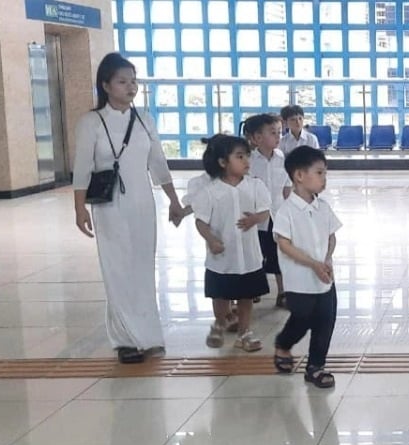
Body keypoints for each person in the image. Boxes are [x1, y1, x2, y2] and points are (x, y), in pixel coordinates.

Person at [72, 53, 184, 364]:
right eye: (122, 81)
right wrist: (79, 208)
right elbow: (82, 168)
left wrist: (174, 200)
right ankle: (125, 340)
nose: (130, 87)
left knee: (141, 267)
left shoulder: (144, 120)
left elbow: (158, 164)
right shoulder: (91, 122)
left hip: (142, 203)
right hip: (110, 206)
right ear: (106, 85)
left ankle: (147, 334)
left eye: (133, 81)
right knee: (117, 269)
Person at [189, 135, 271, 352]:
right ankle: (220, 321)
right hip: (222, 257)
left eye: (247, 156)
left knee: (246, 296)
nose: (246, 161)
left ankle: (244, 332)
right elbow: (200, 221)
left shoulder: (255, 186)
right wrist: (211, 240)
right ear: (223, 162)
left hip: (249, 256)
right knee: (220, 295)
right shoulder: (210, 192)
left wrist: (255, 219)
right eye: (239, 156)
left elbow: (265, 210)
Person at [271, 146, 341, 387]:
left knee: (325, 321)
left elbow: (332, 236)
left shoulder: (323, 207)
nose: (324, 179)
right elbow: (284, 244)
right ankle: (284, 343)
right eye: (319, 173)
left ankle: (316, 366)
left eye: (325, 173)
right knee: (302, 318)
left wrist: (327, 258)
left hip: (325, 279)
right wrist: (313, 264)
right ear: (299, 176)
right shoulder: (286, 211)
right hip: (300, 280)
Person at [245, 113, 293, 309]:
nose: (278, 136)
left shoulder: (281, 157)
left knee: (279, 254)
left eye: (279, 132)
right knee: (255, 254)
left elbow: (287, 186)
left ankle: (283, 292)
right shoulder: (248, 160)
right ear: (257, 138)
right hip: (255, 216)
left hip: (277, 213)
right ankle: (252, 289)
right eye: (272, 133)